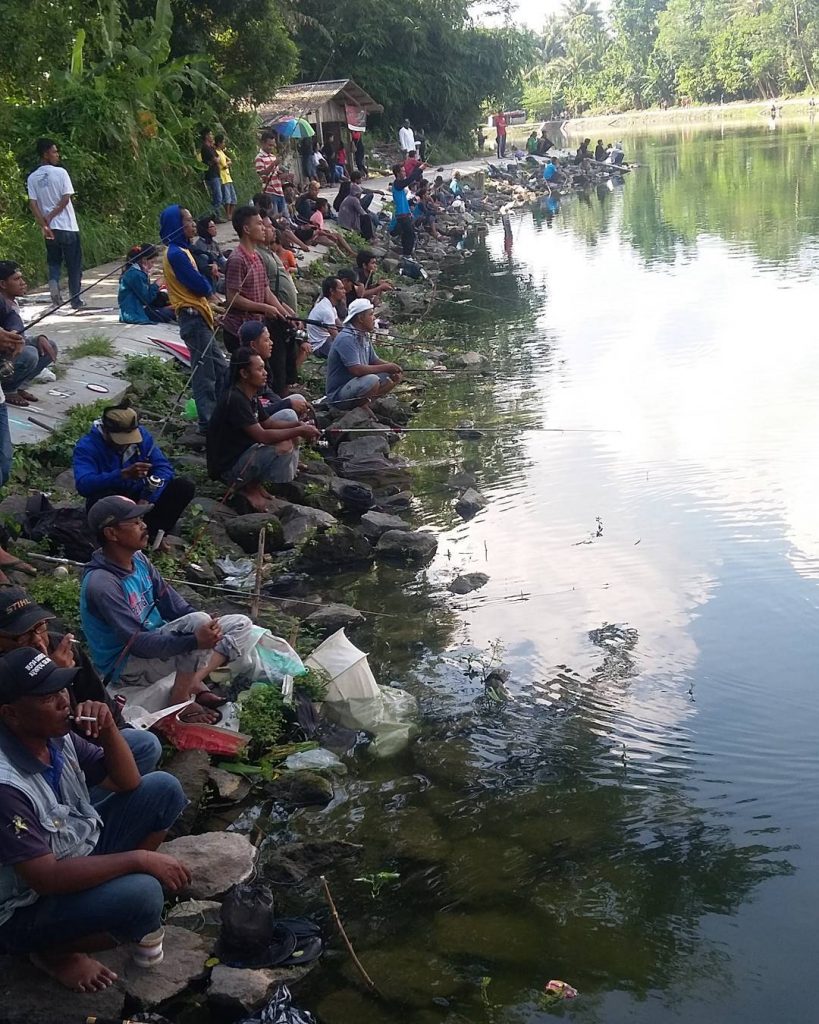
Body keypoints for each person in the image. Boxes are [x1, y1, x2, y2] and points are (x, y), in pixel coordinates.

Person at [0, 646, 189, 992]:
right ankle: (53, 952)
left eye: (62, 690)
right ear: (11, 714)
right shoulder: (6, 786)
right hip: (23, 906)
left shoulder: (53, 736)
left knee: (163, 788)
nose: (64, 702)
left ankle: (102, 901)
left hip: (71, 850)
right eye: (47, 697)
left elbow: (126, 782)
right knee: (144, 896)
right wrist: (139, 860)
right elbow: (47, 878)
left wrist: (108, 730)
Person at [80, 496, 255, 708]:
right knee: (197, 625)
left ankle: (194, 682)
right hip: (127, 666)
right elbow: (137, 645)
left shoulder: (139, 559)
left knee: (240, 623)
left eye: (141, 520)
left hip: (158, 641)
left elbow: (174, 606)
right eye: (135, 523)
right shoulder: (102, 584)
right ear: (111, 533)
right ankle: (180, 700)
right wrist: (194, 641)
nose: (144, 526)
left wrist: (209, 628)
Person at [0, 588, 161, 783]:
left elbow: (100, 700)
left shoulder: (62, 647)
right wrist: (50, 675)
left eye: (40, 626)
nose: (37, 640)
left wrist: (109, 728)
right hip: (37, 756)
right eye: (22, 635)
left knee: (145, 744)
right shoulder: (6, 673)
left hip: (82, 740)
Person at [206, 350, 319, 510]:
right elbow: (263, 436)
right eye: (259, 369)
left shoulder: (249, 394)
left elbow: (268, 422)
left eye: (264, 368)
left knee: (286, 432)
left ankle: (253, 484)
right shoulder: (235, 399)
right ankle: (243, 486)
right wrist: (299, 432)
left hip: (242, 453)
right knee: (283, 446)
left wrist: (300, 425)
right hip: (227, 469)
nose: (265, 373)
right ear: (244, 373)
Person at [73, 402, 195, 545]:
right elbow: (84, 485)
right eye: (121, 439)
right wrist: (121, 475)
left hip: (141, 495)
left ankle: (152, 536)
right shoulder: (87, 446)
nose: (126, 444)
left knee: (183, 487)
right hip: (113, 499)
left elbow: (164, 468)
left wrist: (148, 497)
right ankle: (114, 541)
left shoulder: (142, 437)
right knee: (99, 498)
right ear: (106, 431)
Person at [160, 204, 227, 435]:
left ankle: (223, 413)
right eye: (187, 220)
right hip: (193, 320)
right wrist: (210, 287)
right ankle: (208, 423)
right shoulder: (176, 254)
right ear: (177, 226)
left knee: (220, 368)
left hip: (200, 317)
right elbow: (197, 285)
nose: (192, 224)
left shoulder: (183, 250)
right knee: (204, 373)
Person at [221, 206, 291, 354]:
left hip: (256, 328)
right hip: (239, 332)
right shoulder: (237, 259)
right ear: (246, 229)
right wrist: (264, 308)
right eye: (259, 224)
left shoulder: (257, 256)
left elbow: (266, 290)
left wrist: (285, 313)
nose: (264, 228)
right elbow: (232, 298)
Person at [26, 139, 84, 309]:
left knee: (54, 261)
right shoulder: (61, 173)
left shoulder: (33, 177)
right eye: (54, 152)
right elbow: (66, 199)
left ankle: (53, 282)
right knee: (74, 265)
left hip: (49, 230)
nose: (57, 155)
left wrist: (44, 223)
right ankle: (75, 300)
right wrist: (51, 216)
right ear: (46, 154)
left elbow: (33, 204)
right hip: (67, 226)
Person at [256, 217, 304, 394]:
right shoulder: (258, 255)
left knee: (287, 354)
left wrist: (289, 311)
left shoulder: (269, 252)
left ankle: (286, 387)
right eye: (265, 226)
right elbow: (264, 291)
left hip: (282, 312)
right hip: (272, 315)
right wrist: (279, 310)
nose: (271, 230)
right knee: (277, 357)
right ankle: (279, 392)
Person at [0, 261, 58, 408]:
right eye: (16, 279)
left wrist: (18, 335)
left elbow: (13, 319)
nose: (23, 283)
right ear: (3, 284)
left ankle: (19, 386)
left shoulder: (10, 304)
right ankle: (7, 389)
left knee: (48, 345)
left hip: (7, 353)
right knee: (30, 354)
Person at [325, 299, 402, 408]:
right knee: (372, 380)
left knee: (390, 375)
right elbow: (356, 370)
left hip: (355, 384)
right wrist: (387, 367)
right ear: (360, 318)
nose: (374, 318)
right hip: (339, 394)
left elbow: (374, 360)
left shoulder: (363, 335)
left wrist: (393, 368)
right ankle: (358, 409)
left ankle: (366, 405)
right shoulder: (346, 338)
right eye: (371, 314)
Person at [237, 322, 310, 419]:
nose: (271, 343)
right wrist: (287, 404)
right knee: (288, 415)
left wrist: (286, 403)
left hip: (261, 410)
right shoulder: (245, 369)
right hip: (248, 422)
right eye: (266, 340)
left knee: (298, 399)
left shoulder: (262, 362)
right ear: (253, 345)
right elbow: (252, 412)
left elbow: (268, 392)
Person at [117, 245, 174, 325]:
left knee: (165, 300)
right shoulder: (136, 275)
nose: (153, 265)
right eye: (152, 262)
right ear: (144, 260)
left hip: (138, 309)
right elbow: (146, 299)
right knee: (173, 312)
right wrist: (156, 285)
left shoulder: (134, 271)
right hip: (136, 313)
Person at [390, 162, 425, 257]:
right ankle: (407, 255)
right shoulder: (397, 184)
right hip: (402, 216)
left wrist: (412, 201)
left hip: (404, 215)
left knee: (406, 235)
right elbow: (409, 180)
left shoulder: (399, 186)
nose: (405, 173)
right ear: (397, 173)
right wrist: (420, 169)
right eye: (403, 171)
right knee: (410, 235)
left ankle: (406, 254)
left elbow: (402, 201)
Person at [306, 277, 344, 357]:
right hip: (320, 345)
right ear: (332, 291)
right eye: (341, 289)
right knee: (347, 353)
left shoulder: (330, 305)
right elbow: (336, 337)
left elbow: (340, 326)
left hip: (327, 338)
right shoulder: (326, 310)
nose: (344, 291)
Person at [254, 130, 286, 215]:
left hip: (279, 191)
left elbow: (275, 173)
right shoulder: (259, 158)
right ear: (263, 143)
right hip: (270, 193)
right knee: (274, 218)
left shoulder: (273, 157)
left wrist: (281, 174)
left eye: (273, 145)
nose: (271, 147)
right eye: (269, 145)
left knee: (285, 218)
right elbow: (262, 174)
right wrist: (274, 164)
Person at [200, 129, 223, 222]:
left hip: (216, 174)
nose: (212, 136)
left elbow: (218, 158)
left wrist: (216, 160)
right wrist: (216, 160)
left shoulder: (212, 147)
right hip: (211, 175)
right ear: (206, 136)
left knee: (217, 196)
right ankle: (215, 216)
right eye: (210, 134)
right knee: (217, 197)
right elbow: (216, 160)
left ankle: (215, 216)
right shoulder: (205, 148)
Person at [214, 133, 237, 220]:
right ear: (219, 143)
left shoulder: (222, 152)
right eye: (223, 142)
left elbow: (229, 161)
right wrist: (227, 164)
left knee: (233, 197)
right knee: (227, 198)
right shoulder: (216, 152)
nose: (224, 144)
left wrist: (227, 164)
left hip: (228, 177)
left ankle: (231, 214)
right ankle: (228, 214)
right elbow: (223, 165)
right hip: (223, 177)